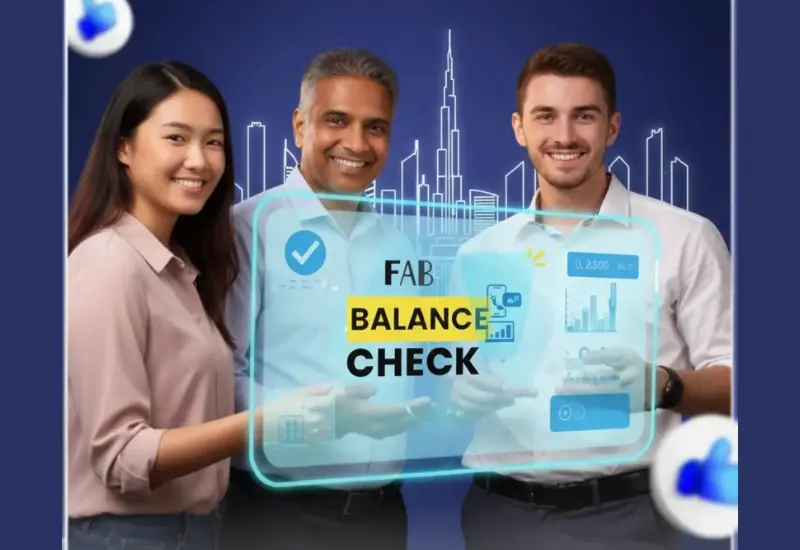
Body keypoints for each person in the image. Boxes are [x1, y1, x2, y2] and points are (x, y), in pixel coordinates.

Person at [451, 44, 733, 550]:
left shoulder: (686, 237)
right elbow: (456, 379)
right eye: (546, 116)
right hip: (496, 518)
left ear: (612, 127)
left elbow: (739, 384)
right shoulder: (479, 253)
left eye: (584, 116)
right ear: (520, 128)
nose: (564, 136)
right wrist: (461, 395)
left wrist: (662, 386)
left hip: (627, 519)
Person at [66, 61, 325, 550]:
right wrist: (268, 422)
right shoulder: (108, 264)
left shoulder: (180, 268)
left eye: (213, 142)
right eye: (176, 138)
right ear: (124, 146)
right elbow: (122, 455)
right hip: (127, 538)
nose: (200, 161)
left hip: (196, 530)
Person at [220, 48, 430, 550]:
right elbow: (217, 380)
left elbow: (406, 363)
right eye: (337, 120)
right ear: (299, 125)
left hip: (383, 517)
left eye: (375, 127)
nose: (356, 143)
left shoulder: (398, 245)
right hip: (276, 515)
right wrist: (316, 414)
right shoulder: (248, 230)